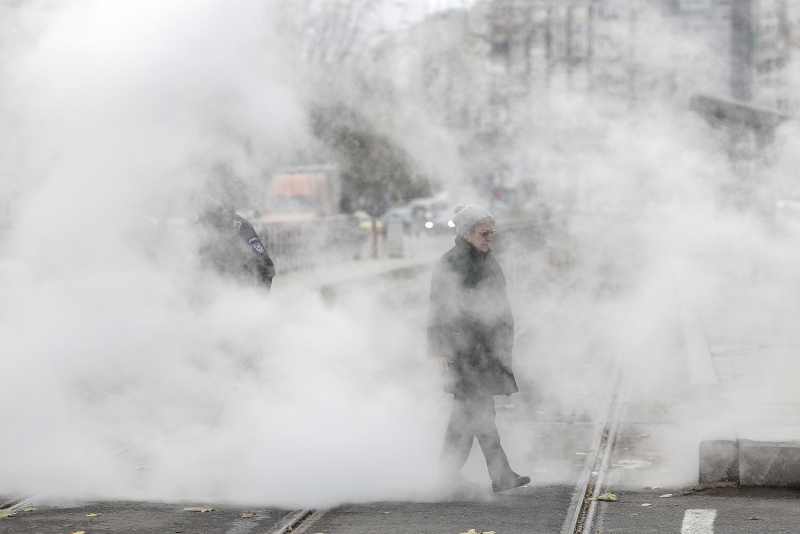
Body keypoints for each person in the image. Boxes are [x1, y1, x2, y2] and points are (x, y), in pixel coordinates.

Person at [427, 203, 530, 493]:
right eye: (485, 233)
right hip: (464, 351)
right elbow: (438, 307)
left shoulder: (486, 258)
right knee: (481, 413)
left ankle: (448, 475)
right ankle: (501, 475)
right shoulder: (451, 263)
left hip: (485, 351)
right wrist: (437, 348)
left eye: (492, 232)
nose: (490, 238)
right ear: (467, 232)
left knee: (464, 417)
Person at [186, 177, 275, 291]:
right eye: (198, 199)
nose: (203, 203)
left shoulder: (240, 226)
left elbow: (265, 265)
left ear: (218, 199)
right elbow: (183, 270)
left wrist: (260, 298)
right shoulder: (191, 232)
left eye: (207, 198)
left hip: (237, 296)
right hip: (204, 300)